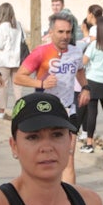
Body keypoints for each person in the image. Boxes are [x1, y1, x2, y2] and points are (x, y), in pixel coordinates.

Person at [16, 11, 89, 185]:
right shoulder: (40, 52)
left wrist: (86, 87)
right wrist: (41, 84)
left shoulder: (76, 52)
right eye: (61, 32)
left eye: (68, 32)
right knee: (43, 158)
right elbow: (18, 77)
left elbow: (79, 70)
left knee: (69, 158)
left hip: (67, 110)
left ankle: (70, 201)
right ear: (51, 32)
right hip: (44, 110)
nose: (65, 36)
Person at [80, 15, 103, 153]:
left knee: (92, 113)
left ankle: (89, 144)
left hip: (93, 81)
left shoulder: (94, 46)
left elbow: (83, 62)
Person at [0, 3, 24, 116]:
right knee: (17, 86)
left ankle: (1, 110)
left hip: (4, 59)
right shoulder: (18, 25)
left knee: (3, 85)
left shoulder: (2, 27)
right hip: (17, 59)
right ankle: (20, 109)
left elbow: (0, 45)